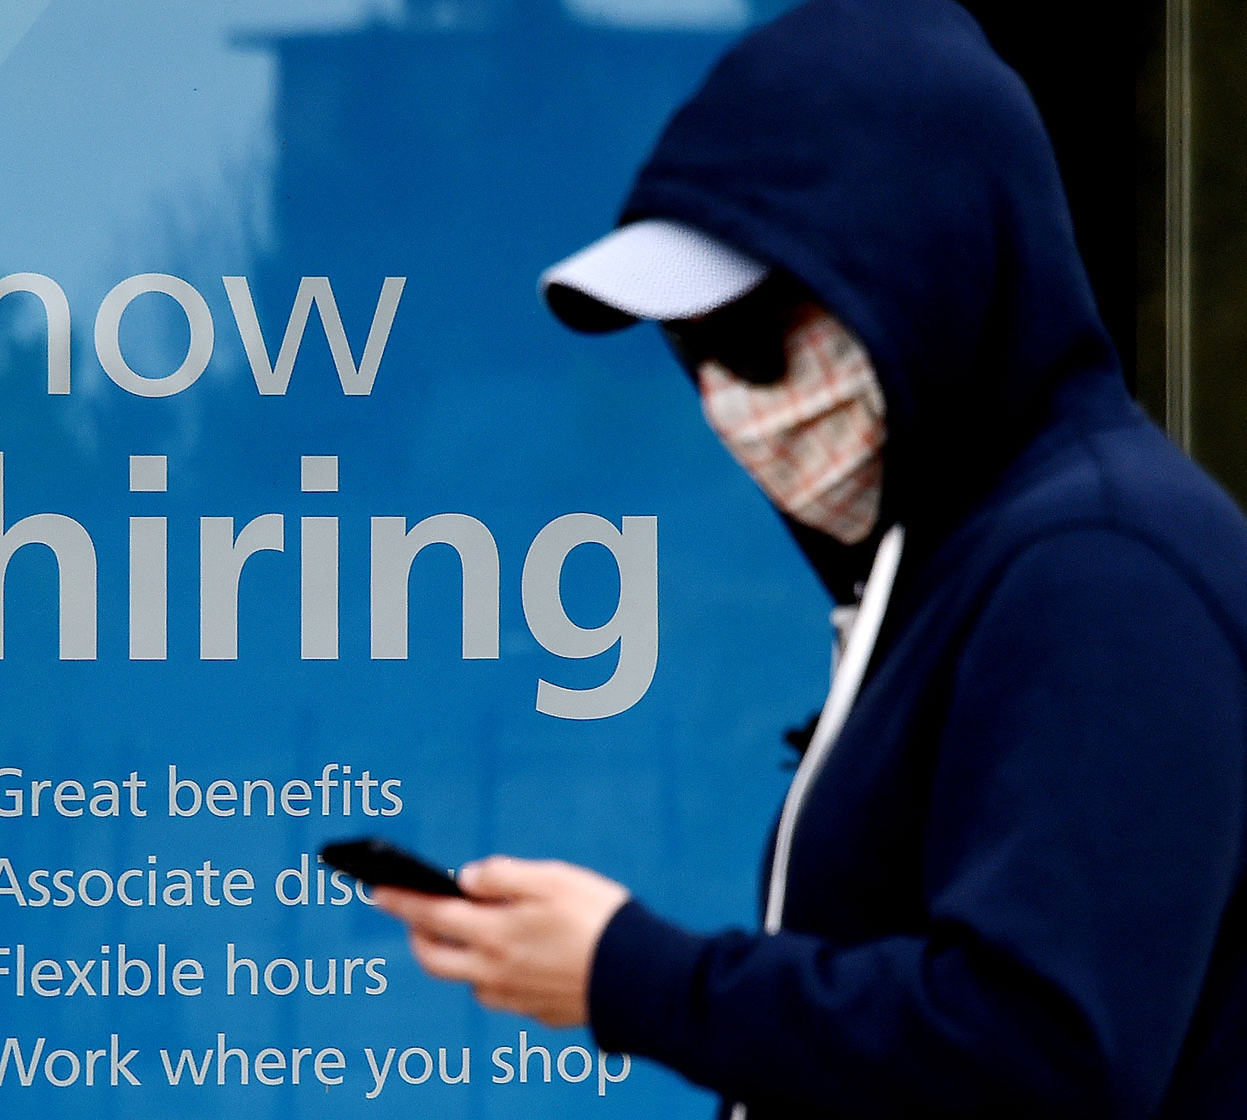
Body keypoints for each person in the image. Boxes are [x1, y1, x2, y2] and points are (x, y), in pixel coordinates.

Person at [373, 1, 1247, 1116]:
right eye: (691, 355)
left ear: (930, 267)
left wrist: (629, 975)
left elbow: (1037, 1055)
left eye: (752, 335)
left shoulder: (1105, 568)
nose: (730, 400)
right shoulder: (969, 567)